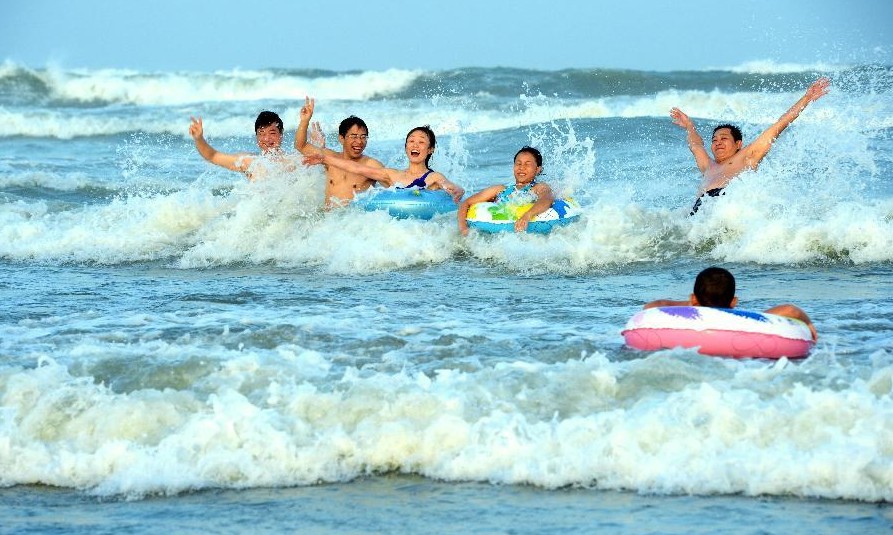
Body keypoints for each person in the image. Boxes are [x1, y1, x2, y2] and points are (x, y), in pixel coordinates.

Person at [671, 78, 831, 214]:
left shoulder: (747, 156)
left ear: (738, 144)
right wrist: (689, 126)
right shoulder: (709, 166)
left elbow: (779, 125)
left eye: (724, 138)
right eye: (714, 140)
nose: (718, 142)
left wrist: (806, 98)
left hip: (726, 206)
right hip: (701, 210)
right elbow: (696, 145)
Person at [643, 266, 818, 341]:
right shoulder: (743, 321)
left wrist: (695, 304)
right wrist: (808, 324)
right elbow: (790, 310)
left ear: (694, 299)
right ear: (734, 301)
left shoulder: (687, 317)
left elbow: (652, 306)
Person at [302, 125, 465, 204]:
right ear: (406, 147)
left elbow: (448, 185)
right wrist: (324, 158)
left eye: (421, 142)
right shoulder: (392, 175)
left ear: (430, 149)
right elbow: (356, 168)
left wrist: (456, 189)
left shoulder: (434, 177)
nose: (415, 145)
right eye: (411, 141)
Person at [294, 97, 385, 208]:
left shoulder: (371, 165)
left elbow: (392, 183)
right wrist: (304, 121)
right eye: (354, 136)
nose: (359, 141)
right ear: (341, 138)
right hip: (330, 220)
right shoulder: (329, 158)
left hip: (352, 221)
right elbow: (301, 146)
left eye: (363, 137)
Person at [457, 146, 555, 236]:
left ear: (538, 169)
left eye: (527, 164)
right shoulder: (500, 190)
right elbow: (466, 203)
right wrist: (463, 228)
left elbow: (546, 200)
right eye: (518, 163)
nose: (521, 167)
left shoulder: (539, 187)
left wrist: (527, 215)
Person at [189, 111, 293, 181]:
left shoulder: (293, 162)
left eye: (272, 133)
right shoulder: (250, 162)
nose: (267, 139)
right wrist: (199, 139)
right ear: (256, 137)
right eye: (262, 134)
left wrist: (304, 122)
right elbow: (213, 156)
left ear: (281, 134)